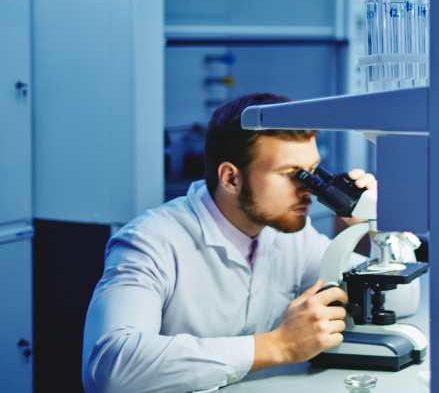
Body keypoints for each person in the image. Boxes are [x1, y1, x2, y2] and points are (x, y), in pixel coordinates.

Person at [82, 93, 377, 393]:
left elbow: (397, 300)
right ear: (231, 178)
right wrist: (277, 345)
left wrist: (377, 226)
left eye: (312, 173)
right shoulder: (149, 241)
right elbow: (109, 369)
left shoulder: (293, 236)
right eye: (292, 174)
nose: (309, 191)